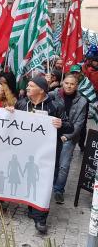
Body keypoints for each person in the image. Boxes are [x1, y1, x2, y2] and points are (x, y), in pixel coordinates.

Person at [14, 76, 73, 234]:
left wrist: (61, 124)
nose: (27, 88)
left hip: (48, 153)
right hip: (26, 152)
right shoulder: (21, 104)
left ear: (41, 89)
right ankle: (32, 208)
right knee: (30, 180)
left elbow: (70, 126)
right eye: (27, 86)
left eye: (31, 86)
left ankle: (41, 218)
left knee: (44, 182)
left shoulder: (55, 105)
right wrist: (9, 112)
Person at [49, 73, 87, 203]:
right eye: (67, 83)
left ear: (76, 86)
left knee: (63, 166)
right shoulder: (54, 94)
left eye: (72, 84)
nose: (69, 86)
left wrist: (67, 136)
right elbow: (39, 100)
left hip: (68, 137)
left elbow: (79, 124)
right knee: (51, 162)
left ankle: (59, 189)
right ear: (62, 83)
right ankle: (49, 185)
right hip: (51, 134)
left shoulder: (82, 101)